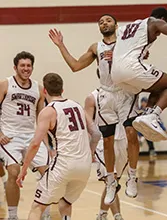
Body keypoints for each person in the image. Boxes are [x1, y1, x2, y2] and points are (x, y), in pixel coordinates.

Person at [49, 14, 139, 206]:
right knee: (107, 140)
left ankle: (133, 176)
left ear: (116, 24)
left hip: (125, 92)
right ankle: (110, 181)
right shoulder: (95, 47)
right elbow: (75, 66)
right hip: (106, 94)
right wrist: (61, 45)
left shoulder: (126, 42)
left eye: (107, 20)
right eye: (100, 22)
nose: (104, 23)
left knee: (132, 132)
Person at [16, 73, 99, 220]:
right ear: (62, 90)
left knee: (37, 206)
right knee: (65, 203)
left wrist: (23, 169)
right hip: (85, 167)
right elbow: (96, 134)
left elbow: (35, 144)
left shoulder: (49, 111)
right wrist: (91, 153)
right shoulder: (77, 106)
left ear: (44, 91)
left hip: (64, 164)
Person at [111, 5, 167, 142]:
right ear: (162, 19)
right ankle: (153, 116)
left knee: (159, 87)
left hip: (115, 73)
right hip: (131, 67)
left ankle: (146, 116)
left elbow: (122, 47)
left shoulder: (126, 27)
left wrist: (142, 53)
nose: (158, 34)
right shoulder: (154, 21)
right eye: (161, 30)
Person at [0, 51, 49, 220]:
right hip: (10, 136)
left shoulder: (39, 88)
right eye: (22, 65)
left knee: (48, 172)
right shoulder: (5, 84)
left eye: (29, 66)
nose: (26, 68)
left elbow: (42, 118)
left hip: (30, 136)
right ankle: (13, 215)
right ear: (15, 67)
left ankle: (44, 211)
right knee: (14, 172)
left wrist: (47, 145)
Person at [85, 88, 127, 220]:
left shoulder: (125, 94)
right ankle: (116, 216)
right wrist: (89, 149)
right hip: (103, 142)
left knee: (114, 183)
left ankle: (103, 215)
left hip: (121, 140)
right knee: (112, 181)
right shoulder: (92, 97)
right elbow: (88, 125)